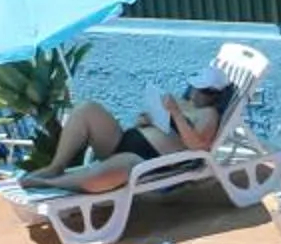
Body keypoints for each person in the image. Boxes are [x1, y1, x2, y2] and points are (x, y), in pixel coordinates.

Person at [26, 74, 233, 194]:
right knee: (86, 109)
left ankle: (47, 184)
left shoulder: (209, 115)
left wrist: (177, 114)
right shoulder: (183, 100)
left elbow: (198, 147)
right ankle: (55, 167)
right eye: (196, 87)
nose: (196, 93)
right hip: (127, 140)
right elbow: (163, 122)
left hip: (144, 161)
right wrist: (147, 119)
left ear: (214, 96)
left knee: (96, 179)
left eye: (204, 91)